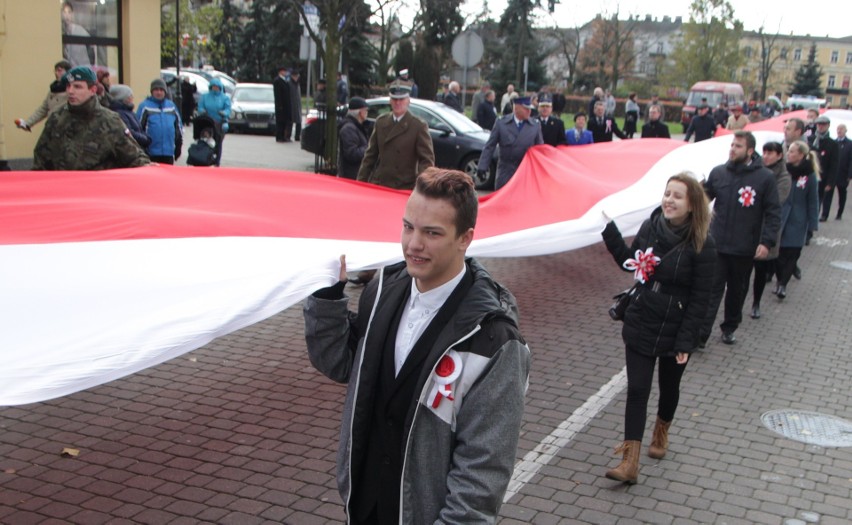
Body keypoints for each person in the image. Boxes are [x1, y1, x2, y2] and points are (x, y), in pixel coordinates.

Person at [302, 168, 530, 524]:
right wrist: (327, 298)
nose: (413, 244)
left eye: (432, 233)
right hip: (365, 506)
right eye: (408, 227)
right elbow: (340, 363)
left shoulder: (493, 340)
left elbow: (482, 472)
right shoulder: (382, 289)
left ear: (465, 238)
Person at [601, 173, 716, 485]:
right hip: (642, 317)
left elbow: (701, 298)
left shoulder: (703, 243)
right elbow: (631, 261)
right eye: (667, 193)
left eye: (678, 196)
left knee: (669, 388)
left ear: (692, 204)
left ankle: (662, 430)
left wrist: (686, 341)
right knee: (638, 389)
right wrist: (607, 229)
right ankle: (629, 462)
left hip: (676, 326)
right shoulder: (651, 227)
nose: (669, 200)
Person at [699, 131, 781, 346]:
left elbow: (773, 213)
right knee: (711, 290)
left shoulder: (764, 178)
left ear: (750, 151)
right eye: (732, 145)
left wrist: (766, 242)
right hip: (717, 244)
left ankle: (729, 327)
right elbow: (703, 199)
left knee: (737, 291)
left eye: (738, 146)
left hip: (744, 247)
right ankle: (701, 334)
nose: (733, 149)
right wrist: (696, 190)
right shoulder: (719, 173)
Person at [32, 66, 150, 170]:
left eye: (77, 87)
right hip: (62, 190)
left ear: (92, 90)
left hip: (95, 191)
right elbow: (41, 159)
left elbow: (135, 158)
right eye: (68, 86)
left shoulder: (110, 121)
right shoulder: (57, 118)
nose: (70, 91)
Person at [357, 81, 434, 189]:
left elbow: (426, 161)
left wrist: (420, 188)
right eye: (394, 99)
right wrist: (360, 182)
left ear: (408, 101)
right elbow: (370, 157)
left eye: (401, 99)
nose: (398, 103)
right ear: (390, 101)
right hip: (380, 184)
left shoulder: (417, 126)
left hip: (404, 187)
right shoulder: (381, 122)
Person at [750, 142, 791, 319]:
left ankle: (756, 303)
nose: (766, 156)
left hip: (766, 227)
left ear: (779, 155)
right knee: (742, 271)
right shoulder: (754, 169)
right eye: (764, 152)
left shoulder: (783, 177)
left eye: (771, 153)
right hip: (748, 227)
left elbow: (775, 201)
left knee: (761, 269)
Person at [774, 140, 820, 299]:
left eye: (792, 151)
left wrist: (812, 224)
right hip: (781, 218)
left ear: (801, 155)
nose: (789, 154)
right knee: (779, 255)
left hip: (798, 220)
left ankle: (782, 285)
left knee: (793, 254)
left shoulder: (809, 175)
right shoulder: (783, 171)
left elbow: (813, 200)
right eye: (789, 150)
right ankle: (780, 278)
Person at [477, 96, 543, 190]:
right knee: (502, 201)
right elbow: (490, 146)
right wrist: (482, 166)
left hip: (525, 172)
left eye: (530, 109)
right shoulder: (501, 123)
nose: (529, 111)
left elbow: (540, 150)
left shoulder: (535, 125)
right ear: (516, 108)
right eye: (526, 108)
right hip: (505, 171)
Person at [15, 60, 71, 132]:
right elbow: (43, 109)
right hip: (52, 127)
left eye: (60, 70)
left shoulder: (71, 90)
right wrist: (27, 123)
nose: (57, 73)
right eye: (55, 71)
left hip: (66, 129)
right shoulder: (52, 90)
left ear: (68, 72)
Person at [136, 78, 183, 165]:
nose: (159, 92)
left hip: (168, 152)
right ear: (152, 91)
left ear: (165, 91)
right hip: (151, 153)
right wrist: (142, 149)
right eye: (156, 90)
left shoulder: (171, 106)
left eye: (161, 90)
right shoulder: (144, 106)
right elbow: (138, 129)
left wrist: (178, 145)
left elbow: (178, 127)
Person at [196, 77, 231, 167]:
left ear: (220, 88)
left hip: (219, 122)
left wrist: (224, 113)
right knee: (206, 141)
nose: (215, 88)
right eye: (213, 87)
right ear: (210, 87)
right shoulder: (205, 96)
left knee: (218, 142)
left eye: (217, 87)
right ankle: (205, 157)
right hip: (207, 122)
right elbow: (200, 106)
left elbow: (228, 109)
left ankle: (217, 161)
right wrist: (202, 110)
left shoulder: (225, 98)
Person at [809, 115, 838, 221]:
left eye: (823, 125)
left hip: (823, 177)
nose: (820, 127)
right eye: (819, 124)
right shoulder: (811, 139)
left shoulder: (833, 144)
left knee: (817, 200)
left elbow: (834, 164)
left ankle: (814, 221)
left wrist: (830, 182)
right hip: (809, 174)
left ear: (828, 126)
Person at [108, 84, 151, 150]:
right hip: (131, 149)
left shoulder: (130, 112)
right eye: (130, 96)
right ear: (123, 98)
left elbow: (140, 129)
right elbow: (128, 132)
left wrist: (146, 137)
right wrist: (145, 139)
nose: (132, 97)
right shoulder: (120, 113)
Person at [337, 97, 370, 180]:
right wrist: (369, 148)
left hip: (356, 174)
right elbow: (352, 153)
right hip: (350, 176)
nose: (367, 112)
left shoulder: (358, 127)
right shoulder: (349, 129)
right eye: (365, 110)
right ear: (359, 112)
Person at [826, 123, 850, 220]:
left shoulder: (850, 144)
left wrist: (850, 174)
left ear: (845, 130)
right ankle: (825, 214)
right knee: (828, 194)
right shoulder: (833, 143)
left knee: (842, 194)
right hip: (833, 173)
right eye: (838, 129)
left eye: (841, 129)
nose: (839, 131)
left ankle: (840, 212)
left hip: (843, 173)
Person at [273, 67, 292, 142]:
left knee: (285, 121)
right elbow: (278, 95)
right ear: (280, 72)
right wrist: (280, 105)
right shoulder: (277, 81)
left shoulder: (285, 80)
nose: (285, 73)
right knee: (280, 122)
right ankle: (279, 136)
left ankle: (283, 136)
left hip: (286, 105)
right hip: (281, 106)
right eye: (284, 71)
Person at [289, 70, 303, 141]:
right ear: (293, 76)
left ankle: (297, 136)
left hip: (297, 105)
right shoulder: (290, 84)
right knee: (291, 121)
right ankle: (288, 135)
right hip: (292, 105)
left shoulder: (297, 84)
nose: (297, 78)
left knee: (298, 121)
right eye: (296, 76)